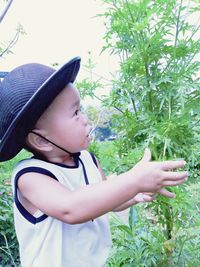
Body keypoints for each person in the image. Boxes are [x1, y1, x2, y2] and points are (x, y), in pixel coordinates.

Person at [0, 57, 188, 267]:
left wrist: (135, 194)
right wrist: (133, 180)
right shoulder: (31, 175)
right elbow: (70, 208)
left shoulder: (88, 160)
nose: (86, 118)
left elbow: (104, 201)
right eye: (75, 112)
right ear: (41, 140)